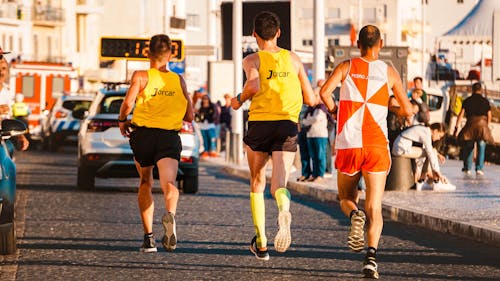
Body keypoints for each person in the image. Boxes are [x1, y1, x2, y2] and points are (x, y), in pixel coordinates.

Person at [319, 25, 413, 279]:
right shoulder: (389, 72)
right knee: (375, 206)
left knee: (345, 198)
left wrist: (335, 110)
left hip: (349, 143)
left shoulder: (346, 66)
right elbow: (408, 110)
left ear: (358, 44)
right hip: (376, 145)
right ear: (380, 44)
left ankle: (354, 214)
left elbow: (324, 92)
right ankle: (371, 259)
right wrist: (391, 106)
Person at [230, 11, 316, 261]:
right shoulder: (295, 59)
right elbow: (310, 98)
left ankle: (262, 243)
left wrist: (237, 101)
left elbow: (254, 86)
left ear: (254, 34)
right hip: (287, 125)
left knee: (257, 183)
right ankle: (284, 208)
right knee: (279, 184)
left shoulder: (252, 60)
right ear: (279, 33)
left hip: (260, 124)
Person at [118, 34, 194, 253]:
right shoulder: (179, 80)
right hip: (168, 136)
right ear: (170, 54)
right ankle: (170, 214)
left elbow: (127, 103)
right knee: (169, 182)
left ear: (147, 54)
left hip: (143, 136)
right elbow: (189, 115)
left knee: (145, 181)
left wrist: (123, 121)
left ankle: (148, 238)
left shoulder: (141, 76)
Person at [392, 123, 454, 191]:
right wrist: (438, 172)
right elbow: (430, 152)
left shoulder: (424, 130)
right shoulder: (426, 134)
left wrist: (437, 155)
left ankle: (424, 181)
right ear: (435, 131)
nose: (438, 139)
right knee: (431, 152)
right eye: (439, 136)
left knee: (431, 152)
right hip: (402, 148)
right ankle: (434, 181)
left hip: (401, 147)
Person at [454, 82, 494, 177]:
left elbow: (461, 114)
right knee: (481, 145)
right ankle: (479, 168)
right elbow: (489, 115)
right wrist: (487, 126)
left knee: (469, 146)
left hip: (470, 124)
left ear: (472, 90)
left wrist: (457, 126)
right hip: (482, 125)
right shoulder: (485, 101)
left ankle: (467, 168)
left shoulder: (467, 100)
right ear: (480, 90)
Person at [0, 51, 29, 152]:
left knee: (9, 165)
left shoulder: (7, 92)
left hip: (3, 142)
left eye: (3, 68)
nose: (1, 72)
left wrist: (19, 137)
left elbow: (9, 119)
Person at [301, 94, 333, 183]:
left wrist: (309, 120)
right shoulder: (310, 109)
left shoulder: (321, 108)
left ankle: (320, 175)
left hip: (320, 135)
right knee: (313, 156)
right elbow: (304, 121)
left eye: (315, 96)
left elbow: (316, 118)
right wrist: (309, 120)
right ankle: (314, 175)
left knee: (320, 156)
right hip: (310, 135)